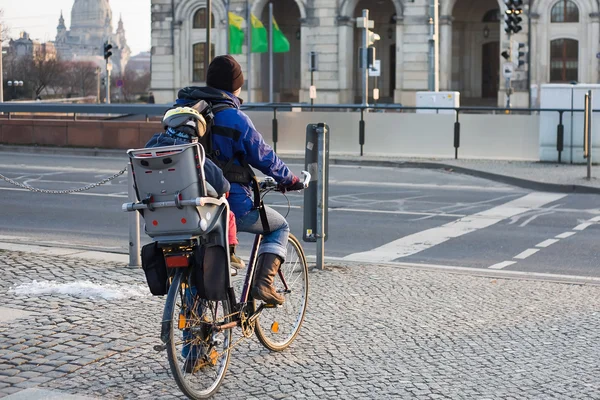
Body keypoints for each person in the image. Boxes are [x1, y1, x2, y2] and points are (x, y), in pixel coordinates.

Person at [176, 55, 304, 305]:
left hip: (188, 202)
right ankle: (264, 284)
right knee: (279, 227)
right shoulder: (234, 118)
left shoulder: (184, 114)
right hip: (229, 203)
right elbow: (264, 156)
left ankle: (191, 342)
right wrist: (289, 179)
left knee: (195, 260)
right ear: (235, 86)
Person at [145, 106, 245, 269]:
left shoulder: (147, 151)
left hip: (156, 214)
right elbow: (221, 184)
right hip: (191, 215)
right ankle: (229, 252)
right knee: (226, 211)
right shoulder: (195, 153)